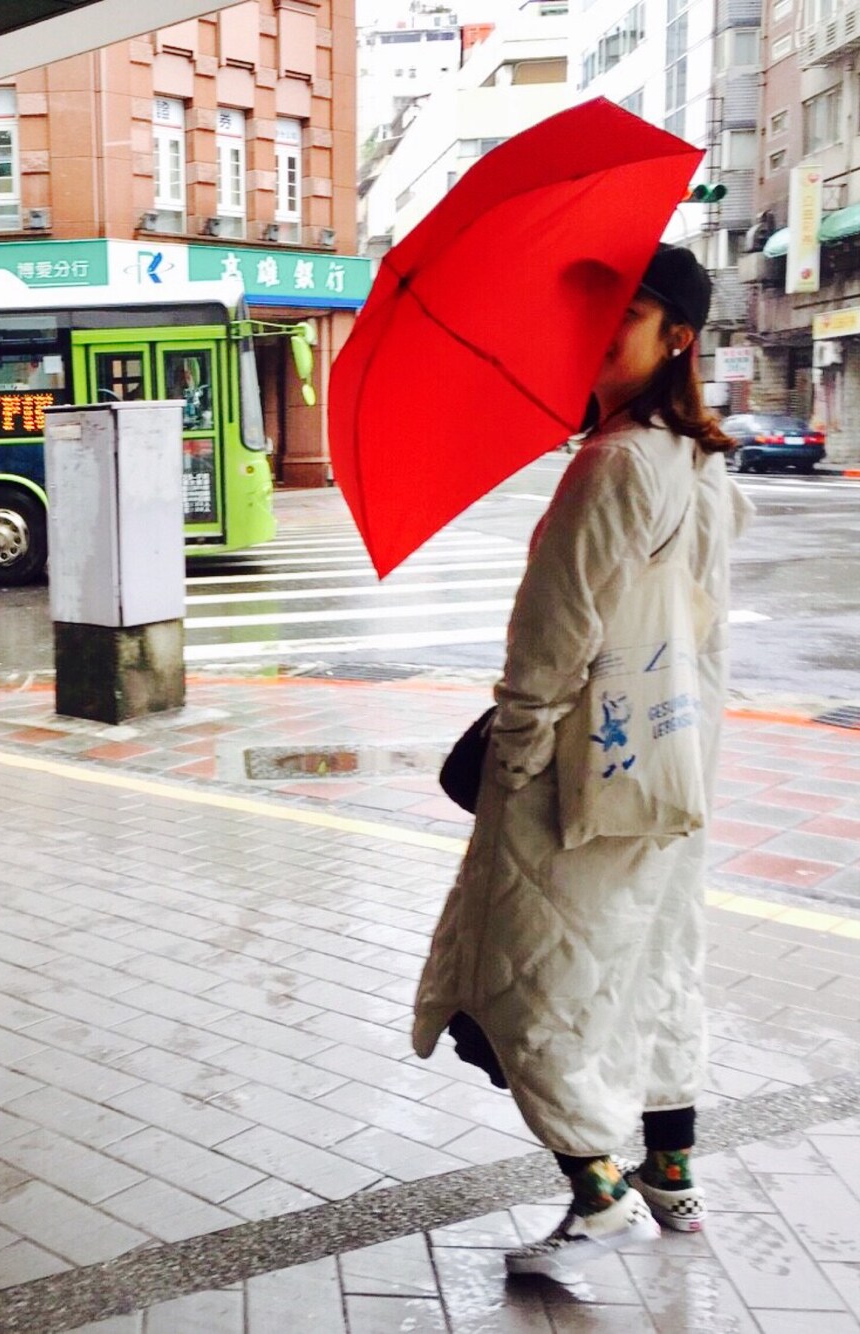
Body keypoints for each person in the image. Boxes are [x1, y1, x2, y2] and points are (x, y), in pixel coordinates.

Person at [413, 245, 754, 1278]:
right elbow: (702, 637)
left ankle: (598, 1191)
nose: (603, 327)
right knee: (654, 964)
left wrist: (511, 759)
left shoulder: (611, 466)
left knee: (511, 987)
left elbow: (551, 641)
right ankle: (670, 1170)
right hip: (667, 763)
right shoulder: (697, 462)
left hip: (573, 773)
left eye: (629, 311)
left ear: (678, 336)